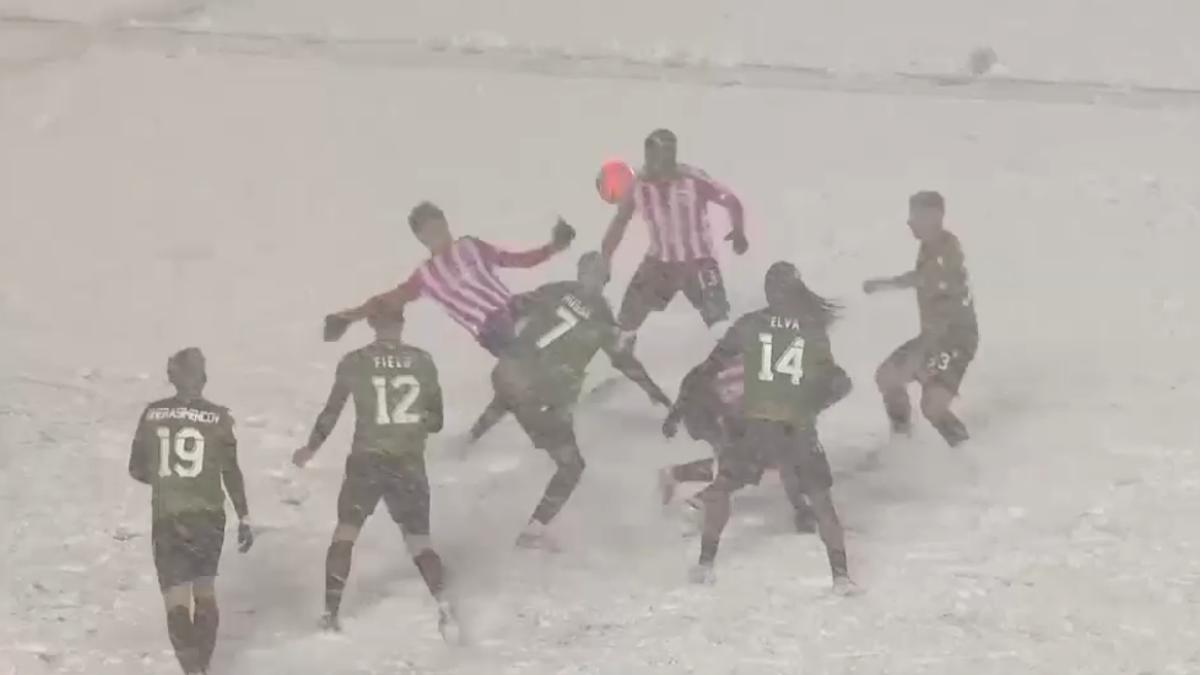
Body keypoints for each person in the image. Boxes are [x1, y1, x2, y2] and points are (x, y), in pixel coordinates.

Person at [462, 252, 671, 549]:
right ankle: (533, 531)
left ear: (579, 272)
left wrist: (510, 338)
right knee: (571, 466)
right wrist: (653, 391)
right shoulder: (602, 317)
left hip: (510, 375)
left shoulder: (557, 290)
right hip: (544, 399)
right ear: (605, 280)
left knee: (512, 388)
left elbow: (514, 306)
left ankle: (470, 438)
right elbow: (625, 361)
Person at [682, 262, 855, 592]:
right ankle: (841, 576)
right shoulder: (811, 328)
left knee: (722, 490)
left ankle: (705, 564)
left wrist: (698, 400)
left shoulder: (751, 324)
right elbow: (837, 382)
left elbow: (712, 364)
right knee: (822, 502)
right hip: (796, 428)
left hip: (756, 426)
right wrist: (810, 406)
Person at [291, 305, 457, 642]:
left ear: (372, 325)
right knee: (419, 541)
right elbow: (437, 421)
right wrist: (412, 427)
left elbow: (332, 411)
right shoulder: (423, 361)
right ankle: (444, 607)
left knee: (345, 534)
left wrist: (311, 448)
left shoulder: (355, 361)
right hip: (408, 461)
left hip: (366, 460)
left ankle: (331, 614)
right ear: (401, 324)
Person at [128, 348, 254, 675]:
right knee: (205, 593)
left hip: (169, 516)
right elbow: (231, 471)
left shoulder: (152, 414)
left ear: (172, 376)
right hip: (208, 516)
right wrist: (244, 515)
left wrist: (167, 480)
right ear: (203, 377)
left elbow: (137, 469)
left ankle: (191, 670)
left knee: (176, 600)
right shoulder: (219, 417)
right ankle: (204, 666)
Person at [323, 201, 576, 355]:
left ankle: (593, 347)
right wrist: (347, 317)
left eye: (439, 226)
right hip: (491, 328)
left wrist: (554, 246)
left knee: (559, 300)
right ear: (421, 239)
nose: (438, 234)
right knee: (523, 333)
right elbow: (385, 301)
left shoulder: (471, 246)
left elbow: (517, 260)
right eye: (429, 232)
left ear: (446, 223)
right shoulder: (424, 277)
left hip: (515, 306)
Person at [659, 351, 852, 534]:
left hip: (725, 410)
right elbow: (786, 457)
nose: (826, 405)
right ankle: (691, 497)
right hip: (716, 411)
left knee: (751, 460)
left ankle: (683, 480)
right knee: (742, 466)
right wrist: (801, 507)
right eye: (828, 400)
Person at [599, 128, 747, 355]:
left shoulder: (694, 180)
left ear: (671, 158)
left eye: (662, 159)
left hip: (699, 262)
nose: (654, 167)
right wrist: (605, 258)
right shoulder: (637, 184)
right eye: (651, 159)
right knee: (627, 321)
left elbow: (732, 201)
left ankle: (744, 363)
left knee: (718, 323)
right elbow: (620, 221)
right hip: (659, 264)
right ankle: (621, 358)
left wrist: (738, 232)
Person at [863, 191, 979, 447]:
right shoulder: (932, 246)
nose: (910, 222)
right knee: (888, 378)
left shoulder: (947, 251)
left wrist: (885, 284)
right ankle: (903, 442)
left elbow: (925, 278)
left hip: (954, 340)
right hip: (934, 336)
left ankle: (966, 454)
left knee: (933, 406)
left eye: (916, 215)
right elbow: (922, 276)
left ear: (935, 216)